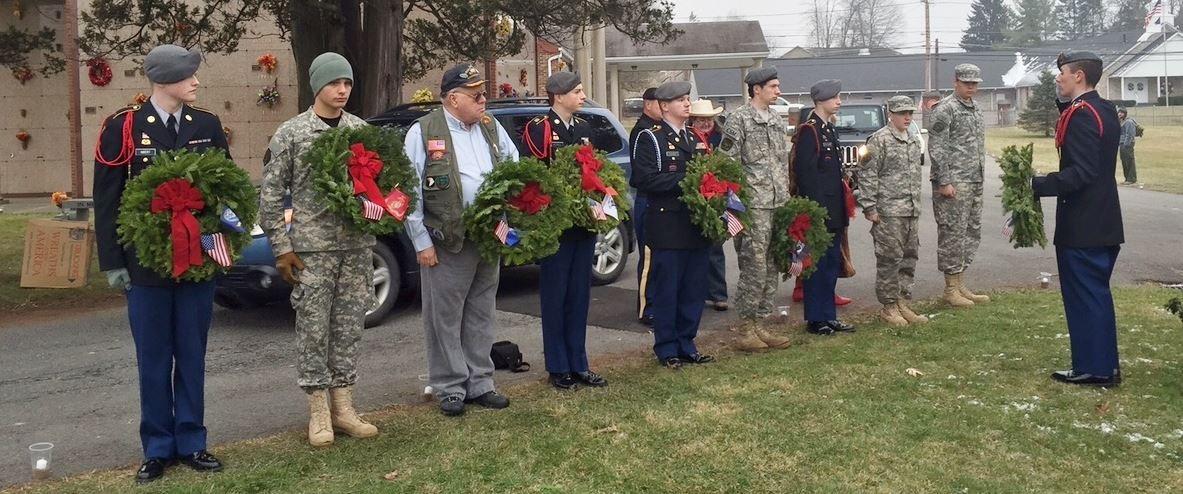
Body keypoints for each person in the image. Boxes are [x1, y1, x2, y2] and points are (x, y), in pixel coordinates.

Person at [93, 44, 228, 483]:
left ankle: (192, 440)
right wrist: (113, 260)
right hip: (145, 266)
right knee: (153, 358)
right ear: (164, 79)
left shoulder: (206, 124)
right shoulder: (125, 128)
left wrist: (226, 241)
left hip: (197, 262)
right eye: (188, 75)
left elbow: (224, 190)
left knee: (192, 353)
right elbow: (108, 198)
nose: (196, 81)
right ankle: (157, 447)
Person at [260, 52, 379, 447]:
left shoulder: (360, 130)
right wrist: (281, 247)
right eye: (333, 83)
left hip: (356, 247)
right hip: (313, 250)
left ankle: (344, 408)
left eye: (346, 83)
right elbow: (271, 196)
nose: (342, 90)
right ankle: (318, 412)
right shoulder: (292, 133)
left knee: (348, 327)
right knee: (314, 329)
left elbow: (381, 184)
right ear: (317, 87)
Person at [404, 63, 519, 415]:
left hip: (488, 237)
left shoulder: (489, 126)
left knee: (482, 311)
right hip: (446, 238)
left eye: (483, 93)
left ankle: (481, 382)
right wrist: (420, 241)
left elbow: (514, 164)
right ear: (453, 98)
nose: (484, 100)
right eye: (476, 95)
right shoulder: (423, 131)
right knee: (445, 316)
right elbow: (409, 190)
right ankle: (450, 386)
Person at [1032, 51, 1124, 387]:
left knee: (1086, 298)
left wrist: (1037, 184)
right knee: (1095, 295)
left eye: (1062, 73)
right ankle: (1102, 365)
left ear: (1079, 76)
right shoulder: (1102, 108)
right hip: (1102, 220)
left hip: (1084, 223)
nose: (1058, 78)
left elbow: (1082, 172)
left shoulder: (1084, 115)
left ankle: (1096, 369)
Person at [521, 72, 608, 391]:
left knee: (579, 295)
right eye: (577, 91)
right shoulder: (539, 128)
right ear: (558, 96)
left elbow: (593, 169)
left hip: (582, 221)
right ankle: (558, 367)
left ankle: (579, 363)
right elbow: (534, 173)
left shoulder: (584, 128)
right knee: (556, 296)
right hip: (555, 222)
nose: (583, 96)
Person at [630, 81, 714, 368]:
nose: (687, 104)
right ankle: (667, 348)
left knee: (693, 288)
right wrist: (687, 182)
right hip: (667, 224)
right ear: (664, 106)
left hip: (695, 224)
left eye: (687, 99)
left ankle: (687, 342)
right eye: (680, 100)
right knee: (668, 289)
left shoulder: (695, 138)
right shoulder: (650, 138)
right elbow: (644, 179)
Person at [717, 67, 793, 352]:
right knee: (754, 266)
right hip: (753, 206)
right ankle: (746, 328)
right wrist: (736, 207)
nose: (778, 91)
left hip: (777, 203)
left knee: (772, 264)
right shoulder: (739, 120)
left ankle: (761, 322)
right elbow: (726, 165)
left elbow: (780, 163)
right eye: (773, 86)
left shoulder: (775, 119)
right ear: (756, 89)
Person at [792, 80, 856, 336]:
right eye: (835, 97)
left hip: (834, 208)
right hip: (819, 211)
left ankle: (828, 315)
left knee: (830, 265)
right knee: (816, 266)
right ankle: (816, 318)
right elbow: (806, 175)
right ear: (821, 101)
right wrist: (816, 213)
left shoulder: (829, 129)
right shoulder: (810, 131)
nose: (839, 101)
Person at [858, 96, 929, 327]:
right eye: (902, 113)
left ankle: (902, 301)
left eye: (910, 112)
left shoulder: (913, 140)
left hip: (910, 209)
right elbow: (867, 174)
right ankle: (888, 306)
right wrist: (869, 207)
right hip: (888, 211)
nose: (907, 117)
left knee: (909, 257)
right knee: (889, 259)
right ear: (891, 114)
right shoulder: (878, 140)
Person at [928, 63, 990, 308]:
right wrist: (944, 181)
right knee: (952, 234)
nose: (971, 88)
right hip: (954, 183)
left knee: (970, 232)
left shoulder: (975, 109)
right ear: (956, 82)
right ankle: (950, 288)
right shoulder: (945, 109)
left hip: (974, 179)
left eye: (974, 83)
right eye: (967, 83)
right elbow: (938, 146)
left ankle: (961, 282)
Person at [688, 99, 730, 314]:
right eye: (700, 119)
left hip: (717, 196)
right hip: (693, 197)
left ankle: (718, 295)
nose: (705, 123)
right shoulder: (686, 137)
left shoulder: (721, 138)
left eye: (708, 119)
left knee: (715, 247)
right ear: (692, 120)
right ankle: (696, 293)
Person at [631, 87, 661, 327]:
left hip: (658, 200)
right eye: (659, 103)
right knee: (649, 257)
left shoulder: (660, 129)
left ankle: (657, 302)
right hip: (646, 198)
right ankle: (646, 306)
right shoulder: (642, 130)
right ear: (648, 104)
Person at [1118, 107, 1137, 185]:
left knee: (1129, 161)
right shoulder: (1121, 122)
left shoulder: (1129, 122)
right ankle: (1127, 178)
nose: (1120, 114)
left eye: (1121, 112)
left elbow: (1129, 134)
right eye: (1119, 112)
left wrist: (1126, 144)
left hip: (1127, 144)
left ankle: (1131, 179)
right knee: (1124, 162)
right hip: (1122, 144)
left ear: (1125, 114)